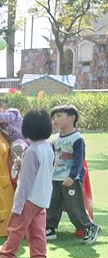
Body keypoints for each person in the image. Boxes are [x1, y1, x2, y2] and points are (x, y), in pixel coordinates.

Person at [0, 110, 54, 258]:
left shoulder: (31, 150)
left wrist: (18, 205)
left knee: (16, 229)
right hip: (42, 198)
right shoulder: (48, 147)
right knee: (38, 231)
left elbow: (26, 182)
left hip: (28, 199)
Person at [47, 104, 99, 244]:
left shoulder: (77, 138)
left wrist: (71, 176)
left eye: (59, 116)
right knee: (52, 204)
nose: (55, 120)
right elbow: (53, 158)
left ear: (72, 118)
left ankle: (89, 227)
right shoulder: (54, 139)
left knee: (74, 206)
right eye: (53, 117)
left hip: (72, 179)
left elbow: (79, 160)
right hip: (55, 177)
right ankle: (49, 228)